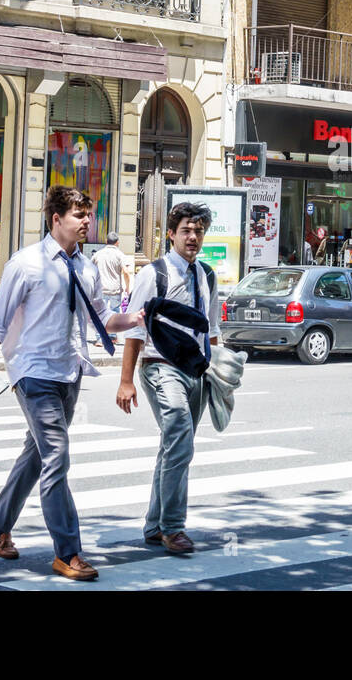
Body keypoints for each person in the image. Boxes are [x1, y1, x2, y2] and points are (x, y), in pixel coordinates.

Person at [0, 186, 144, 582]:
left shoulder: (87, 267)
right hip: (32, 372)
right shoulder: (25, 264)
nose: (86, 221)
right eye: (78, 215)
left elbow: (101, 318)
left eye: (88, 214)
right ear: (56, 218)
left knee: (37, 455)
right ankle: (68, 552)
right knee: (57, 457)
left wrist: (134, 318)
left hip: (69, 372)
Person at [117, 202, 220, 555]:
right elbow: (134, 329)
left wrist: (218, 372)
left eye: (199, 231)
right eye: (186, 231)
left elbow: (212, 329)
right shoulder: (155, 274)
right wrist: (126, 380)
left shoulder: (206, 275)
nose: (193, 237)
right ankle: (174, 528)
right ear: (171, 234)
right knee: (179, 435)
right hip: (160, 366)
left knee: (174, 446)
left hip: (196, 371)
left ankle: (155, 525)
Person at [91, 232, 132, 342]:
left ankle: (100, 339)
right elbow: (126, 272)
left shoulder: (98, 254)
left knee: (99, 313)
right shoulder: (120, 255)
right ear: (117, 242)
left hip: (100, 289)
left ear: (106, 241)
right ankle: (113, 337)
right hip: (115, 289)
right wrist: (128, 287)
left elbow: (89, 270)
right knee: (114, 312)